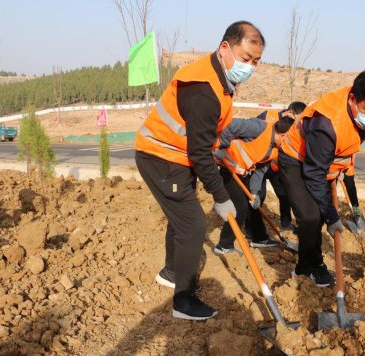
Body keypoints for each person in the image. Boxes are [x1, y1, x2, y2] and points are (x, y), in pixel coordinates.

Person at [134, 21, 265, 320]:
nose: (250, 68)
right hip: (161, 156)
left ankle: (170, 272)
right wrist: (220, 196)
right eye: (246, 59)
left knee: (181, 218)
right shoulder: (204, 89)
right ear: (225, 48)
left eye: (255, 62)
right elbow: (198, 152)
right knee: (193, 224)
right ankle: (183, 301)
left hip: (175, 155)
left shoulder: (218, 78)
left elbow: (202, 138)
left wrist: (215, 149)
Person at [279, 69, 365, 287]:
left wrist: (339, 168)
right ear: (353, 98)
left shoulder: (356, 112)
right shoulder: (327, 122)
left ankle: (306, 266)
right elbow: (314, 174)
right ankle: (314, 265)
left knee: (318, 215)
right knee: (310, 216)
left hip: (319, 162)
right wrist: (333, 215)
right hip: (294, 159)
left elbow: (341, 147)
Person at [213, 115, 295, 253]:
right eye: (288, 140)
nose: (288, 145)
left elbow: (259, 171)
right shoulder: (258, 128)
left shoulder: (274, 149)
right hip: (226, 167)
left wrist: (255, 192)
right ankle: (224, 245)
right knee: (240, 208)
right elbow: (231, 125)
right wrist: (222, 147)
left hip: (242, 171)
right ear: (282, 135)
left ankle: (259, 238)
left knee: (253, 204)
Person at [245, 101, 306, 234]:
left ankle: (286, 223)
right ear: (290, 113)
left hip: (277, 167)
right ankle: (250, 228)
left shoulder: (296, 128)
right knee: (257, 196)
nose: (299, 121)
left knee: (285, 195)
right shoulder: (268, 115)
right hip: (260, 163)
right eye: (298, 118)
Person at [327, 155, 365, 236]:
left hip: (347, 165)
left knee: (351, 187)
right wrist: (338, 170)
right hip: (334, 165)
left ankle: (356, 209)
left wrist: (345, 167)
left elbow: (354, 153)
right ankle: (330, 213)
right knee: (330, 189)